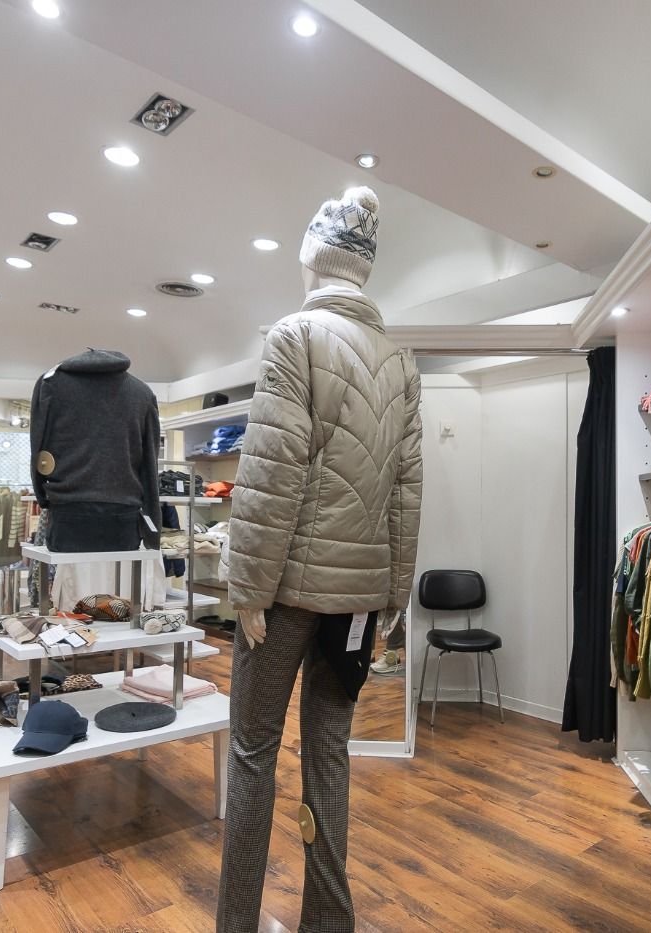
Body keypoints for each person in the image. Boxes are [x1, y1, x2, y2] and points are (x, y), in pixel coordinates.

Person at [218, 186, 423, 933]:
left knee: (252, 754)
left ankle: (237, 925)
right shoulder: (400, 363)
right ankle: (330, 922)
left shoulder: (295, 336)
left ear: (314, 258)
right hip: (358, 602)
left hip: (284, 596)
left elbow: (271, 473)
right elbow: (406, 488)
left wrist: (247, 586)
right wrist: (394, 591)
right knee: (329, 754)